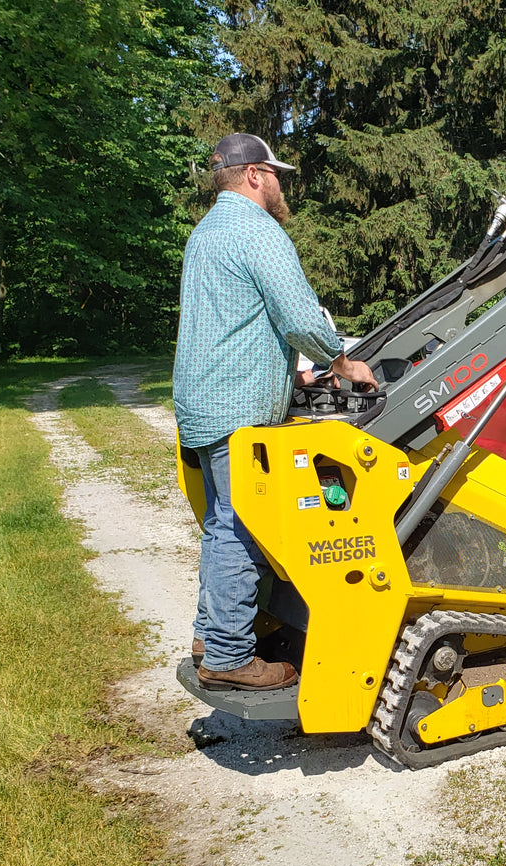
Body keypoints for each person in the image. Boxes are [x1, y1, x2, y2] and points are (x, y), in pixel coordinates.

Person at [174, 133, 374, 691]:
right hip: (238, 407)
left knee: (221, 522)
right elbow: (298, 314)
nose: (283, 185)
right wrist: (341, 361)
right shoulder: (257, 230)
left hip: (205, 401)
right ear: (254, 175)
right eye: (276, 174)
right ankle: (230, 656)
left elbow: (238, 318)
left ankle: (210, 635)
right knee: (244, 529)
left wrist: (297, 369)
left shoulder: (206, 232)